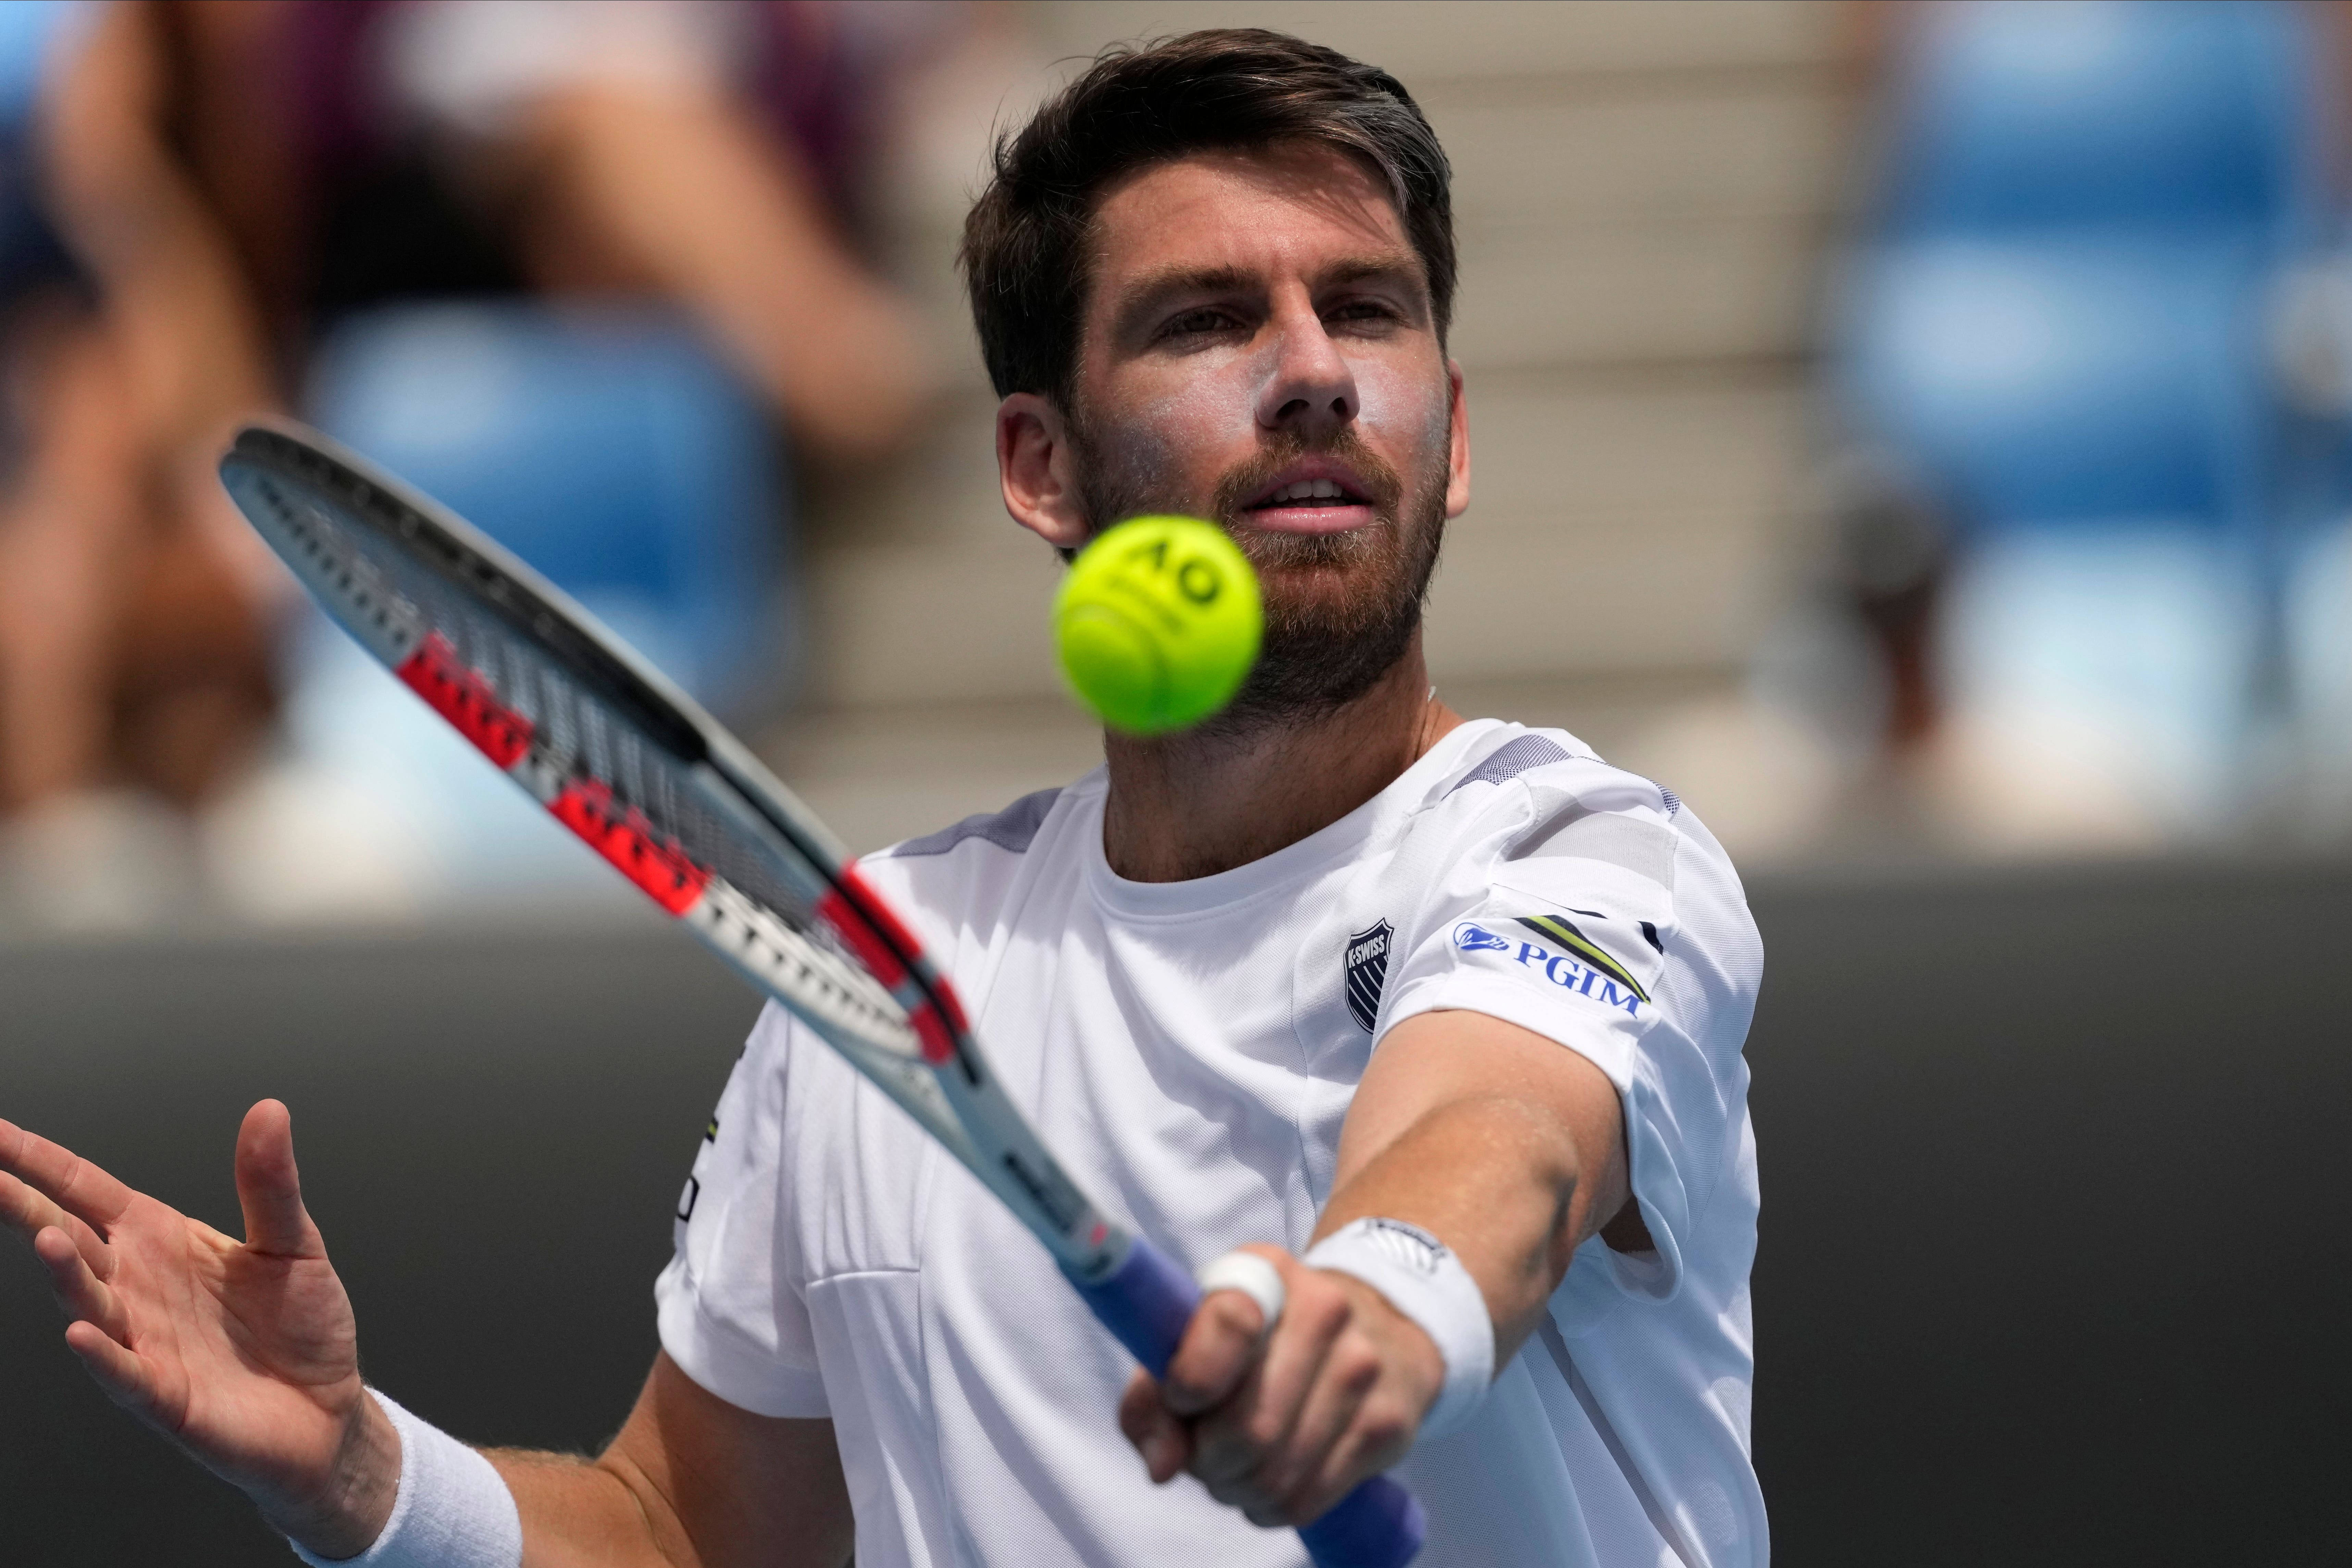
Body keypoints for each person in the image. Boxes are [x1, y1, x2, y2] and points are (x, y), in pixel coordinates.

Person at [0, 30, 1765, 1568]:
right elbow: (688, 1535)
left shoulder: (1575, 854)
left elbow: (1501, 1148)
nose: (1311, 367)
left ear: (1449, 434)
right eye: (1208, 320)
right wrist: (370, 1482)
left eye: (1365, 308)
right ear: (1040, 465)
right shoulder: (878, 962)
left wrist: (1370, 1317)